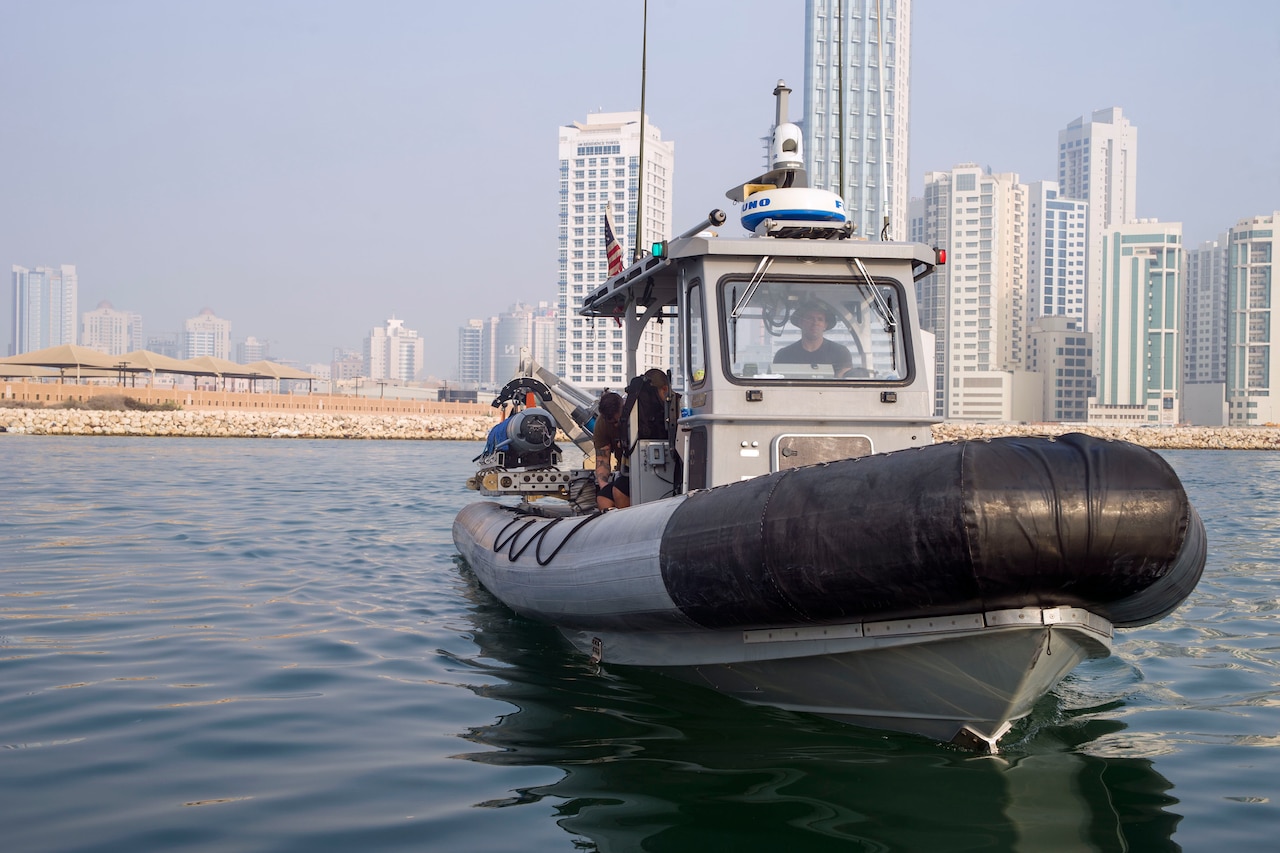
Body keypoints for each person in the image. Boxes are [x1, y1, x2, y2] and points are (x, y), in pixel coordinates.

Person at [773, 301, 853, 377]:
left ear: (825, 325)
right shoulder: (784, 355)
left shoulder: (840, 353)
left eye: (820, 319)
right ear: (800, 323)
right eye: (810, 318)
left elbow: (846, 384)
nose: (815, 322)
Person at [592, 390, 630, 510]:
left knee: (619, 491)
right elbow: (602, 458)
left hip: (636, 470)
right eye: (611, 422)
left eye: (616, 421)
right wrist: (604, 485)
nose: (615, 425)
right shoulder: (602, 424)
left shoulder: (635, 417)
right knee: (603, 498)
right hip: (623, 471)